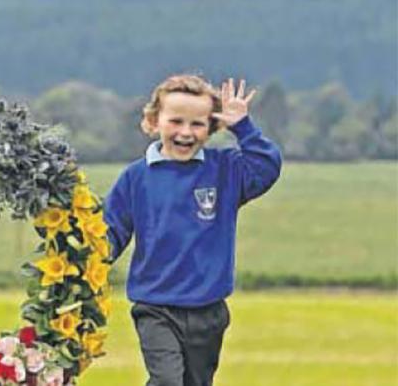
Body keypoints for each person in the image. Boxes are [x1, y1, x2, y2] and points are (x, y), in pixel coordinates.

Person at [104, 75, 282, 386]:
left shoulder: (225, 169)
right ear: (153, 121)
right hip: (156, 306)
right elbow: (112, 231)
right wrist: (85, 263)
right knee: (168, 382)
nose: (186, 132)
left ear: (212, 127)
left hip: (208, 310)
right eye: (176, 121)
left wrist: (243, 126)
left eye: (197, 124)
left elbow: (266, 167)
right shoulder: (135, 177)